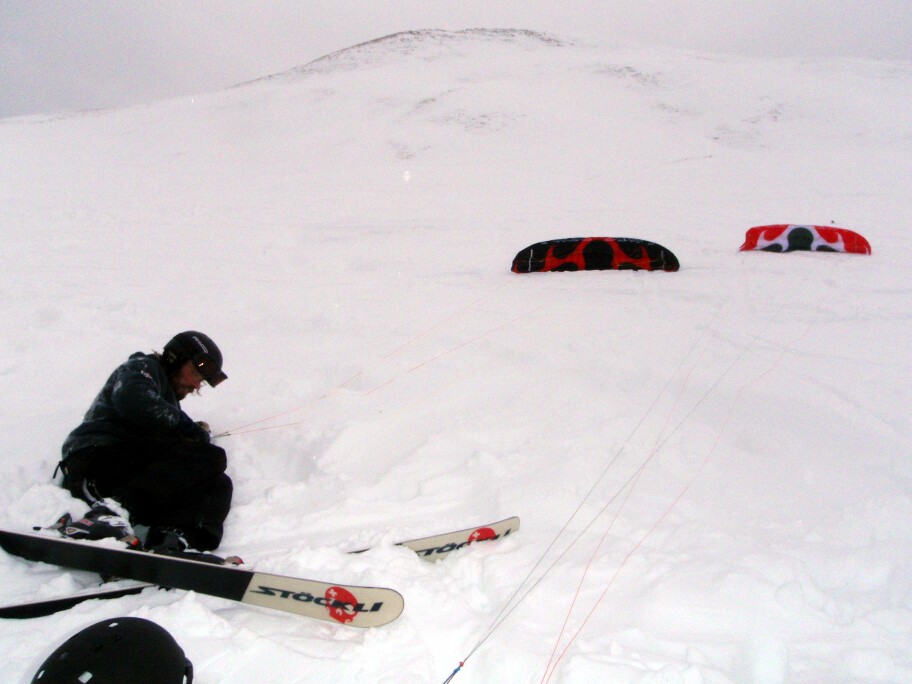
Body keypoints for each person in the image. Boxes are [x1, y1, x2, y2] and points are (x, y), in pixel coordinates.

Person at [56, 331, 232, 554]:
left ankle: (173, 539)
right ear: (175, 358)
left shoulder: (166, 400)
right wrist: (186, 428)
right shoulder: (142, 368)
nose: (197, 385)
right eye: (197, 373)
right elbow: (135, 401)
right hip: (96, 461)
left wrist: (187, 433)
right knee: (207, 456)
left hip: (130, 475)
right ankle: (109, 514)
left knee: (217, 482)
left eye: (202, 381)